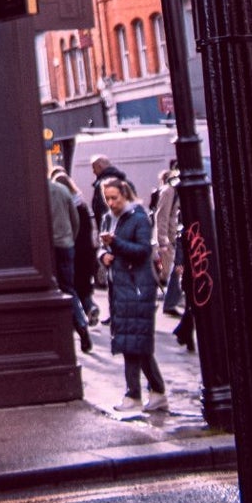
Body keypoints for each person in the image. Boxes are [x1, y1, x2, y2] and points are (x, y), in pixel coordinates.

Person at [99, 176, 167, 413]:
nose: (111, 203)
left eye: (114, 198)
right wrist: (103, 256)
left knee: (133, 343)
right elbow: (103, 248)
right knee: (135, 342)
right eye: (107, 198)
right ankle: (156, 392)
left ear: (125, 195)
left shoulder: (138, 218)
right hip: (121, 286)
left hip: (137, 286)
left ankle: (134, 395)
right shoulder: (108, 218)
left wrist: (115, 244)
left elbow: (143, 251)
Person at [47, 176, 91, 354]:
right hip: (66, 244)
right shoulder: (62, 190)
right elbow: (75, 219)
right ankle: (81, 325)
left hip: (50, 247)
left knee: (52, 289)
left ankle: (67, 331)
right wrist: (70, 238)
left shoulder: (38, 192)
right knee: (68, 288)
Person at [52, 168, 98, 325]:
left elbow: (74, 225)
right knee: (82, 282)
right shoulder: (81, 203)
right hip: (86, 248)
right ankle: (90, 307)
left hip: (72, 246)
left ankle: (83, 315)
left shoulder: (63, 204)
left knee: (71, 284)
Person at [152, 168, 182, 316]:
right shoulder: (169, 191)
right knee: (171, 271)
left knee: (175, 270)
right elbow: (162, 216)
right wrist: (163, 240)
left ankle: (170, 302)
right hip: (170, 238)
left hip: (175, 235)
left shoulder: (174, 190)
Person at [90, 154, 128, 232]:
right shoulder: (125, 182)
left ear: (100, 166)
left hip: (110, 230)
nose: (93, 172)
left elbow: (103, 209)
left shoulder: (102, 185)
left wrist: (104, 231)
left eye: (94, 168)